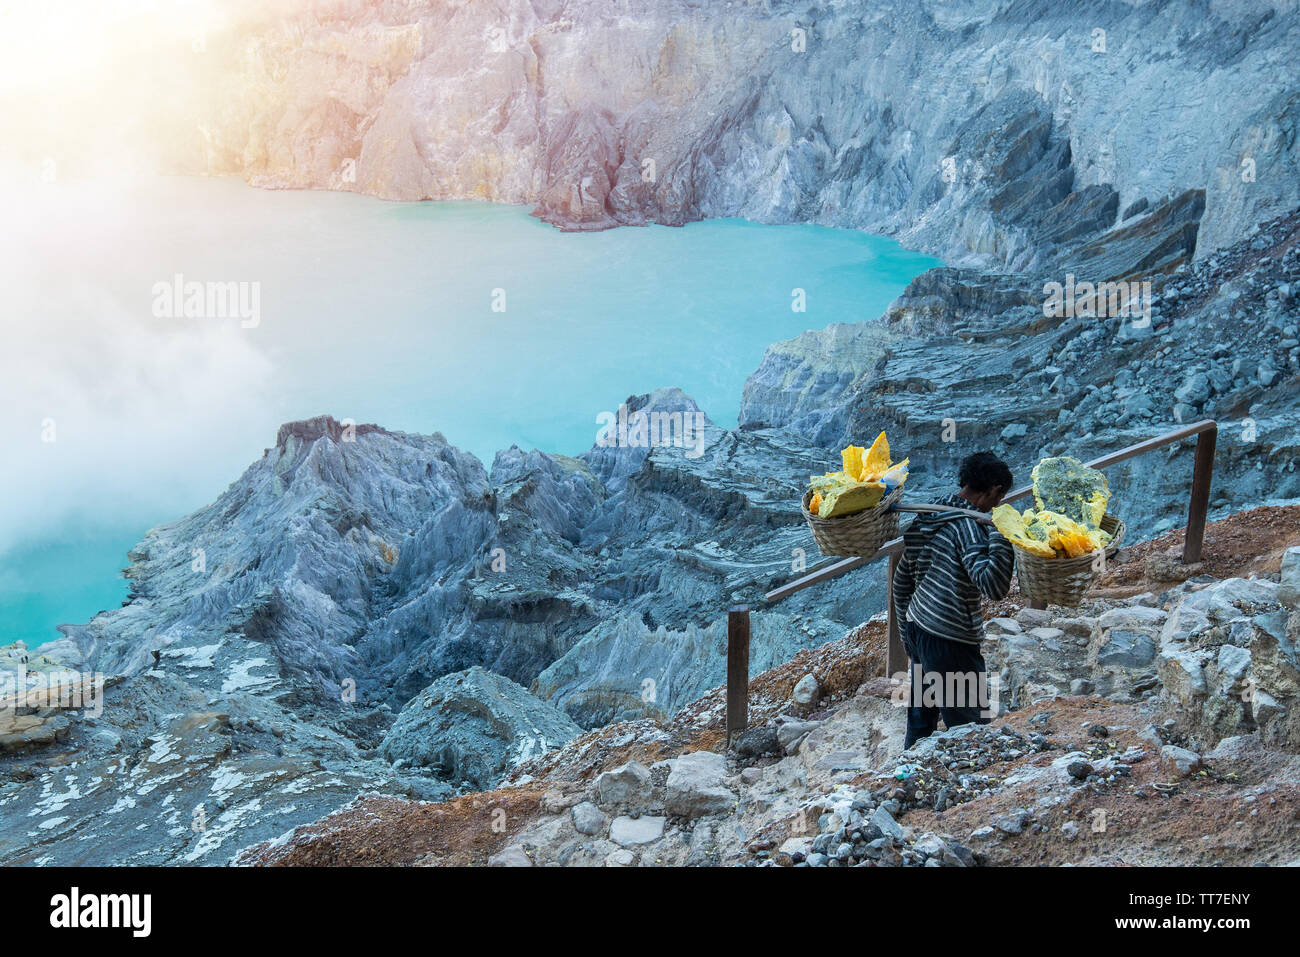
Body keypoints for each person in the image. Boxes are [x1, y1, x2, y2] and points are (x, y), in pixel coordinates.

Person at [892, 451, 1014, 747]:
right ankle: (972, 789)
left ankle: (908, 779)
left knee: (921, 721)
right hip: (950, 638)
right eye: (1000, 499)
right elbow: (994, 586)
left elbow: (902, 579)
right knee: (970, 728)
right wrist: (1002, 536)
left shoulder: (931, 513)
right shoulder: (970, 527)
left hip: (919, 627)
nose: (997, 506)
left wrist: (907, 634)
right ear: (995, 490)